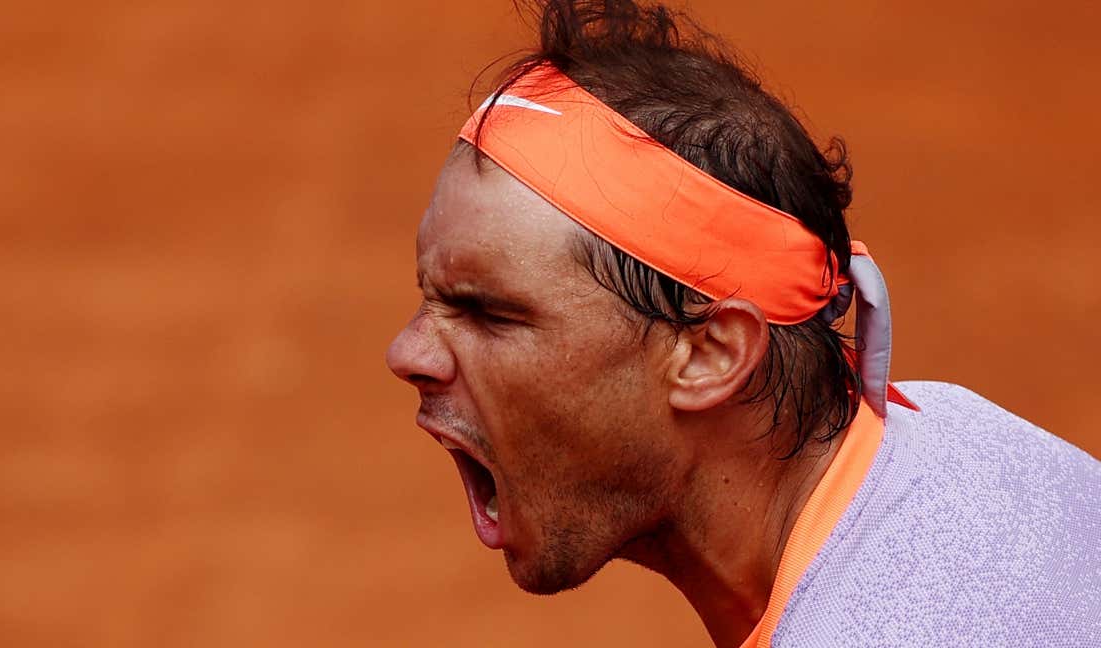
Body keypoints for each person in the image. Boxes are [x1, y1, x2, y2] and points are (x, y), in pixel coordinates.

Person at [384, 1, 1101, 645]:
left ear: (711, 353)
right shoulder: (955, 438)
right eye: (432, 297)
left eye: (487, 312)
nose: (408, 351)